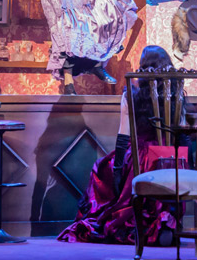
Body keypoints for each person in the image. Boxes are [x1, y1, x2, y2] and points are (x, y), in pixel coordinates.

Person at [57, 45, 183, 245]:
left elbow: (124, 134)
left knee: (101, 168)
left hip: (141, 157)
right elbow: (182, 132)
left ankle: (138, 223)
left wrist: (117, 168)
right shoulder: (177, 94)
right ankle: (163, 221)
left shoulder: (132, 95)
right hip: (171, 157)